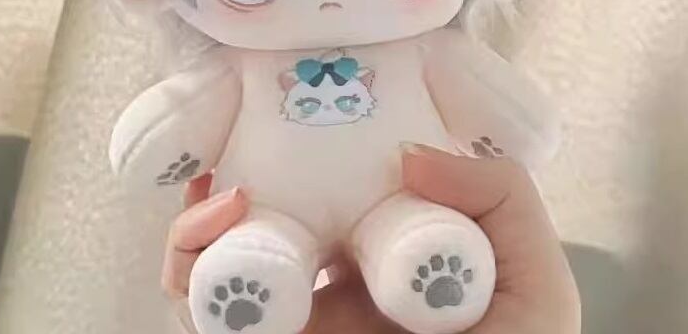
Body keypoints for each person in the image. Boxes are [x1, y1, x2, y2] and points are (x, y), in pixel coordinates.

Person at [163, 144, 581, 334]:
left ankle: (424, 255)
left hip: (395, 198)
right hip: (279, 210)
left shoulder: (427, 51)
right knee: (254, 249)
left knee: (415, 234)